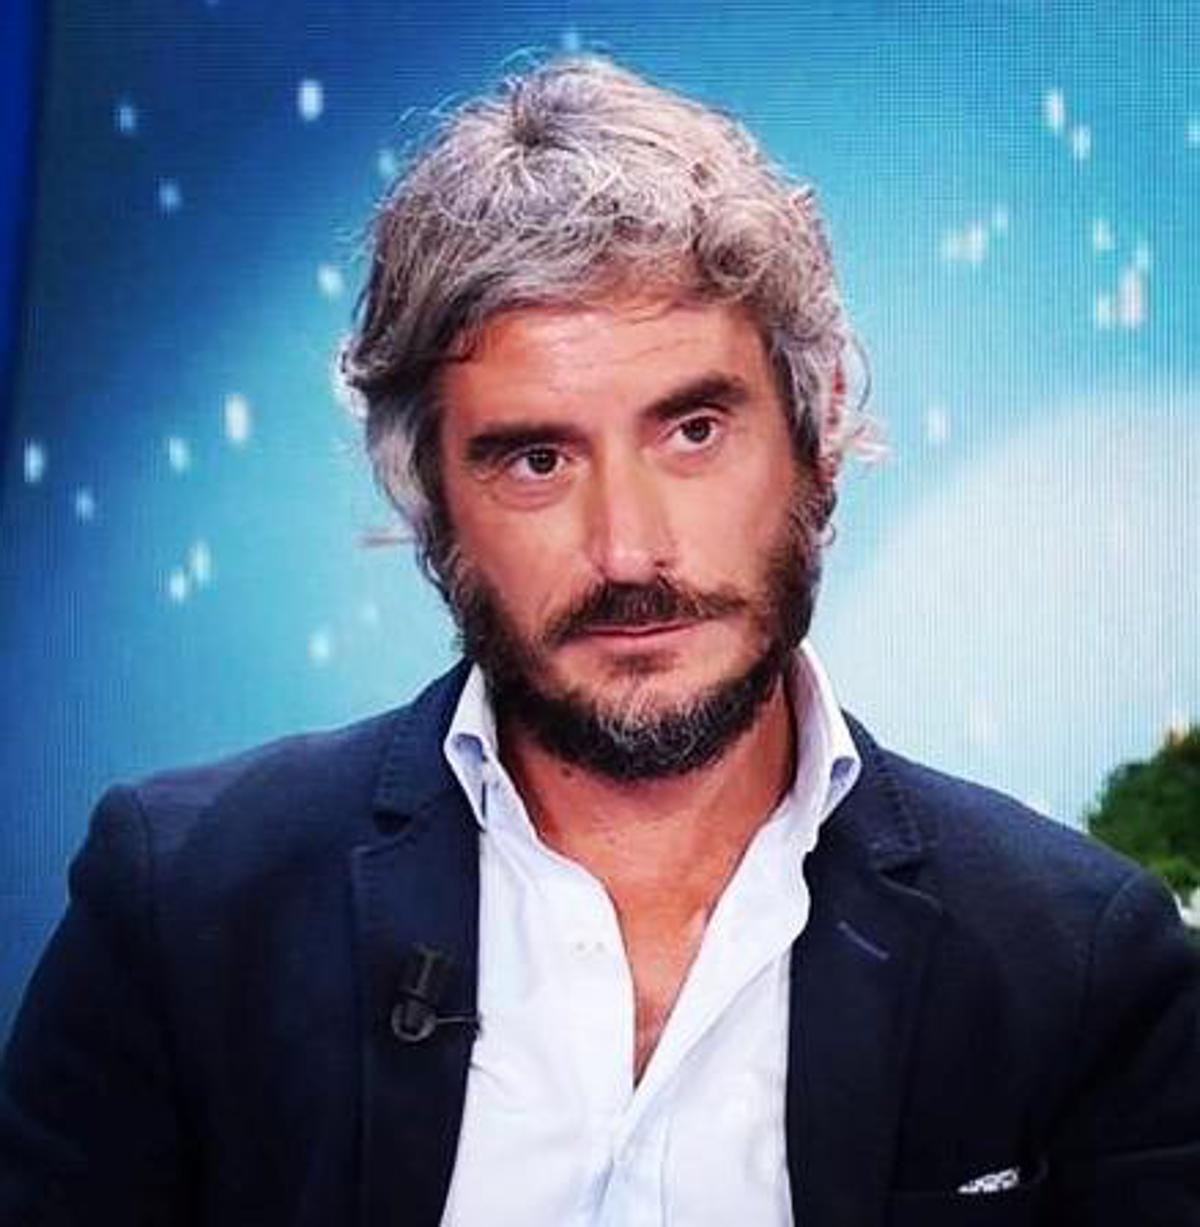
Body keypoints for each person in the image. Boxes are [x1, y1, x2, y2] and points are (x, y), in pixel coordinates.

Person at [2, 56, 1197, 1227]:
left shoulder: (1080, 962)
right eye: (537, 459)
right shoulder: (184, 904)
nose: (627, 550)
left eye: (693, 431)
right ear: (430, 497)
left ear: (818, 431)